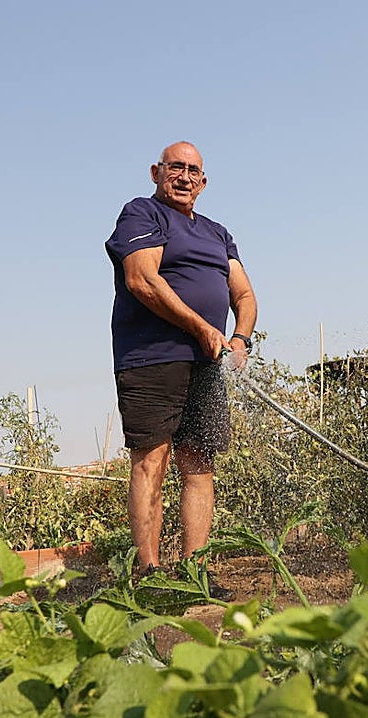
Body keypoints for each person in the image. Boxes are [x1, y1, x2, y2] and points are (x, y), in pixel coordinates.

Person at [105, 141, 258, 584]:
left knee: (199, 463)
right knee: (151, 461)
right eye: (176, 167)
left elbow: (244, 294)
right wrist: (201, 327)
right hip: (151, 358)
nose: (184, 177)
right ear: (156, 172)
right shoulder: (142, 214)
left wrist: (240, 338)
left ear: (203, 182)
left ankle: (195, 572)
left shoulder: (217, 233)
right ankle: (149, 575)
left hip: (206, 363)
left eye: (193, 171)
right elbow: (142, 279)